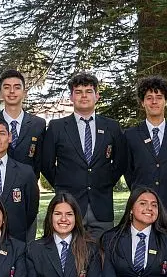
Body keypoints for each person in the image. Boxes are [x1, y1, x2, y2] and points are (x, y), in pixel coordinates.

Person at [40, 72, 127, 240]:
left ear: (97, 96)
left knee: (102, 253)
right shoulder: (57, 127)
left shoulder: (112, 127)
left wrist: (105, 181)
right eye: (78, 92)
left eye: (89, 91)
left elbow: (121, 162)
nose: (84, 96)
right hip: (68, 206)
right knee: (68, 253)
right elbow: (46, 164)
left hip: (101, 206)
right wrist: (62, 184)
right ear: (71, 97)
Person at [123, 76, 167, 238]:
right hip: (141, 210)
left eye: (159, 97)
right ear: (142, 102)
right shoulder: (130, 135)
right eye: (149, 98)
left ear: (166, 101)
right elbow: (128, 171)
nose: (154, 102)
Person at [0, 68, 46, 238]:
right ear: (0, 93)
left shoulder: (38, 124)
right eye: (7, 87)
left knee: (25, 247)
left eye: (17, 87)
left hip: (26, 198)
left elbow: (41, 162)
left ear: (24, 92)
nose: (12, 91)